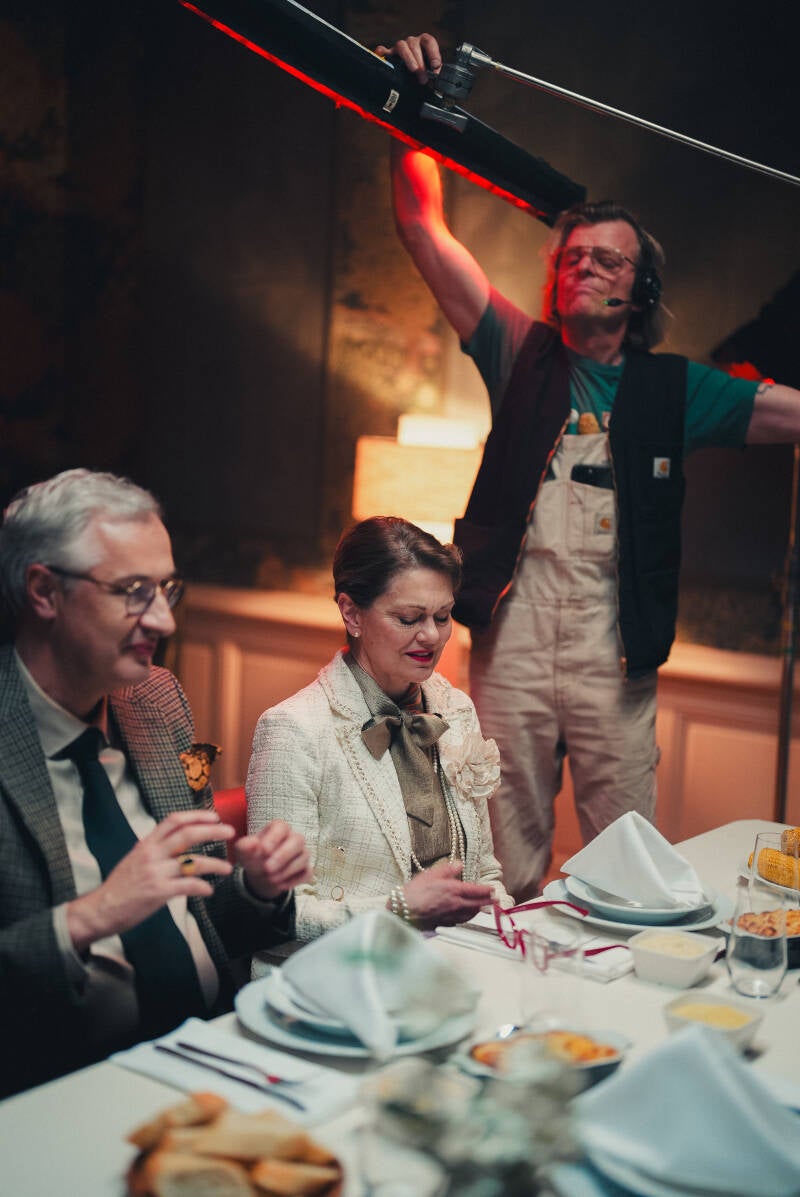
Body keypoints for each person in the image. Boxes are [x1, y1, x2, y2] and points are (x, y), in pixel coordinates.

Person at [378, 34, 800, 901]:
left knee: (626, 864)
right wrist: (412, 115)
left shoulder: (677, 390)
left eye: (607, 258)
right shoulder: (516, 350)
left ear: (639, 291)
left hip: (617, 653)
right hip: (514, 641)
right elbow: (423, 228)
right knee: (502, 859)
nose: (584, 265)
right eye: (573, 256)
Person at [0, 469, 311, 1097]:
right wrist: (91, 917)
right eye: (133, 591)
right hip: (58, 1090)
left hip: (210, 1054)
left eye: (166, 588)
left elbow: (201, 918)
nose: (164, 620)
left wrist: (255, 888)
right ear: (44, 591)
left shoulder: (155, 702)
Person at [246, 516, 512, 955]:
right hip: (346, 968)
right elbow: (279, 914)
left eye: (443, 616)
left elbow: (484, 872)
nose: (432, 636)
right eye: (409, 618)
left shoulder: (456, 709)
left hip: (454, 958)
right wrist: (398, 910)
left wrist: (503, 933)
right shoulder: (293, 729)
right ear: (352, 613)